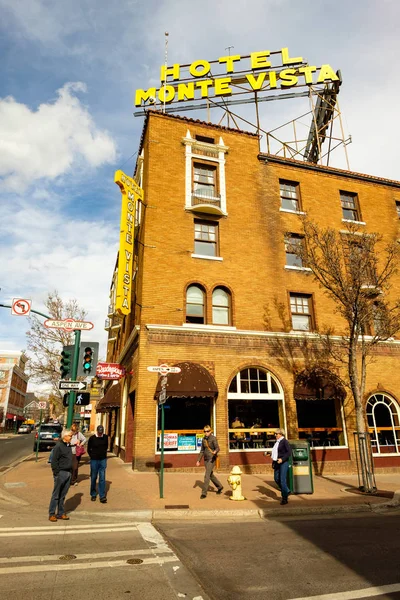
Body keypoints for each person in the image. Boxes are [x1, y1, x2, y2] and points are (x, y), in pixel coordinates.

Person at [49, 429, 73, 522]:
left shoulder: (68, 445)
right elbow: (54, 461)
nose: (71, 437)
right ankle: (52, 513)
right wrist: (56, 473)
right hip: (61, 473)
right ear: (65, 436)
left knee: (63, 495)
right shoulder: (58, 446)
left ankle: (61, 513)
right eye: (70, 436)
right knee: (56, 494)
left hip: (68, 472)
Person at [196, 425, 223, 499]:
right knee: (210, 475)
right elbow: (202, 450)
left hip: (212, 459)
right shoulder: (203, 439)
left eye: (207, 431)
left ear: (210, 431)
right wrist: (198, 460)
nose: (206, 433)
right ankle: (220, 487)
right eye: (205, 431)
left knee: (207, 475)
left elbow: (218, 448)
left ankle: (204, 493)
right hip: (206, 459)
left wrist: (215, 451)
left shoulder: (213, 438)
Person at [270, 428, 292, 505]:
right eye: (275, 434)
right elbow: (276, 452)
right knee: (276, 478)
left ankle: (284, 498)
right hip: (277, 463)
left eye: (277, 434)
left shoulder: (284, 442)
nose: (275, 435)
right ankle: (286, 490)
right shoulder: (277, 442)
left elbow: (289, 452)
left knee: (282, 480)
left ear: (281, 434)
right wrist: (269, 453)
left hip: (283, 463)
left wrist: (282, 459)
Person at [87, 424, 108, 503]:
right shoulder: (92, 438)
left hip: (102, 459)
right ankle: (93, 493)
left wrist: (104, 455)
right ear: (97, 431)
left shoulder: (105, 437)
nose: (100, 434)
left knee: (102, 478)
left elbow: (106, 447)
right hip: (94, 460)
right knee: (93, 477)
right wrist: (92, 456)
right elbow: (89, 449)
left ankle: (102, 496)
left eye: (101, 432)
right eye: (99, 432)